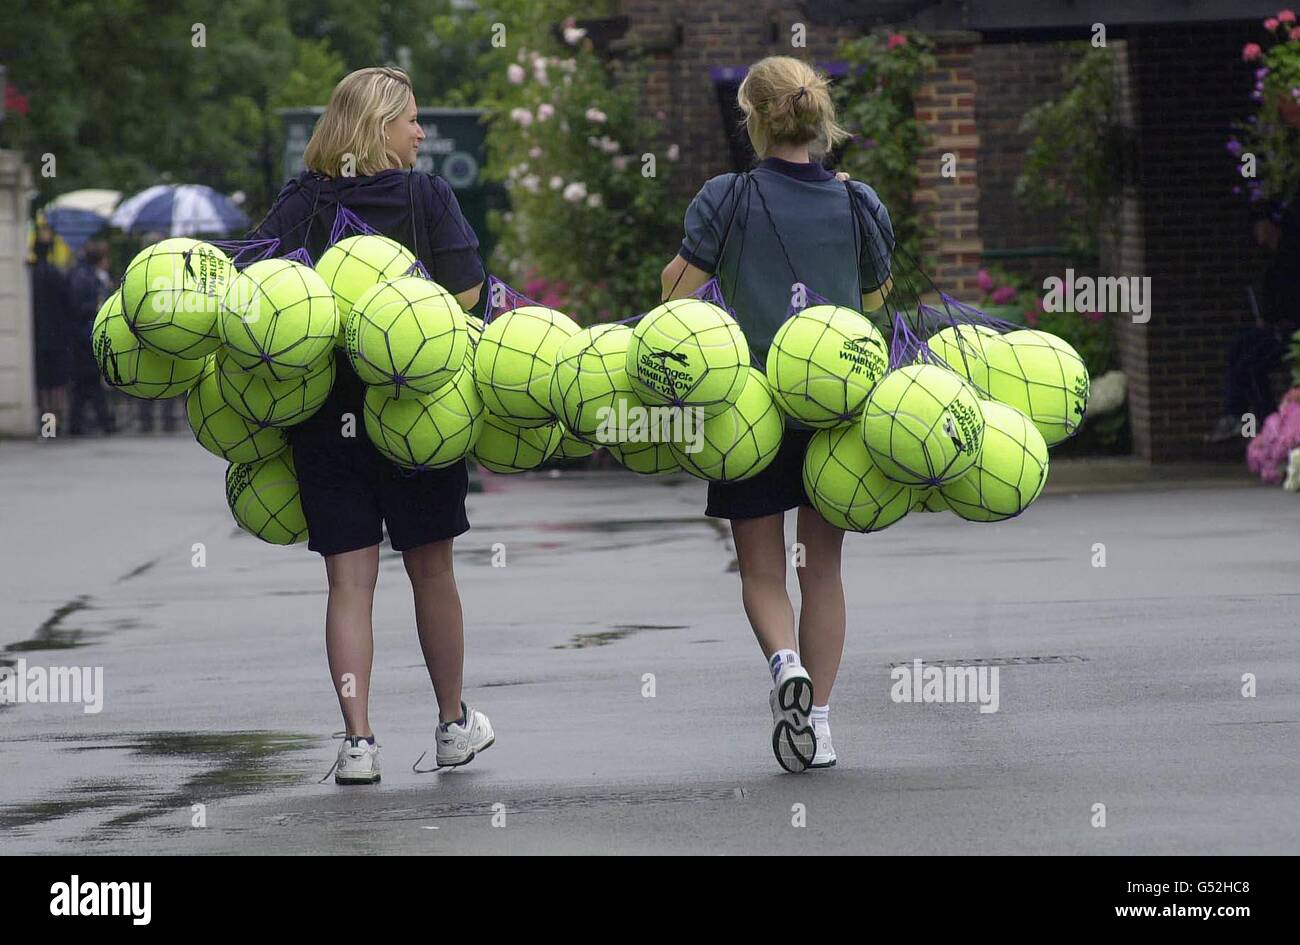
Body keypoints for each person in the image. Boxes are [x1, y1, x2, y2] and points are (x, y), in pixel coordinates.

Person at [249, 66, 490, 784]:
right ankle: (452, 725)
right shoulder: (424, 195)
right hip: (417, 410)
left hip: (324, 414)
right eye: (411, 119)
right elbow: (471, 288)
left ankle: (358, 743)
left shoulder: (302, 200)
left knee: (348, 584)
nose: (421, 132)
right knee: (432, 571)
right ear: (379, 125)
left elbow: (257, 291)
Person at [659, 56, 894, 773]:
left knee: (760, 569)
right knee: (821, 568)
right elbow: (877, 309)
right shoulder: (859, 205)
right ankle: (818, 723)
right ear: (821, 119)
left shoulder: (725, 198)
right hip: (836, 410)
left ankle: (784, 662)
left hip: (747, 412)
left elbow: (674, 297)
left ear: (754, 121)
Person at [65, 238, 119, 436]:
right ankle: (104, 423)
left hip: (84, 336)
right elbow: (79, 307)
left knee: (84, 385)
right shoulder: (85, 277)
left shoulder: (87, 274)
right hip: (85, 336)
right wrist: (97, 305)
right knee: (89, 383)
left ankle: (80, 424)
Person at [30, 231, 73, 430]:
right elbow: (69, 304)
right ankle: (57, 422)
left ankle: (46, 425)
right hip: (58, 337)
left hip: (37, 337)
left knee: (43, 385)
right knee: (57, 385)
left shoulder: (30, 276)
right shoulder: (56, 274)